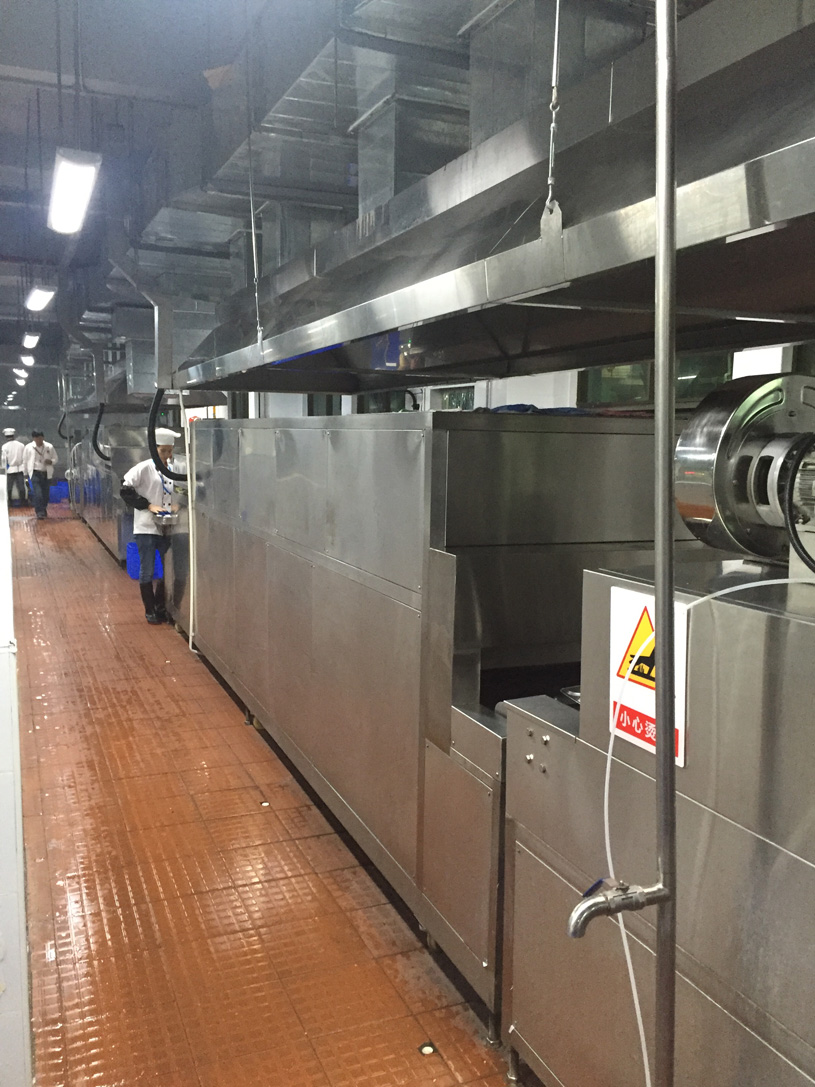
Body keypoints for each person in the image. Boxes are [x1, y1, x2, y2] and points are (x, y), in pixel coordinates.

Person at [120, 427, 180, 625]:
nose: (167, 455)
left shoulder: (174, 467)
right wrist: (147, 505)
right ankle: (150, 609)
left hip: (167, 526)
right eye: (163, 451)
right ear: (155, 449)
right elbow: (125, 490)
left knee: (167, 570)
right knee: (147, 569)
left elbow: (181, 489)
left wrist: (178, 504)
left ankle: (161, 606)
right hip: (146, 527)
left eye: (170, 451)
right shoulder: (143, 468)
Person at [23, 429, 58, 519]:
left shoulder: (49, 447)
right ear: (34, 439)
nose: (39, 440)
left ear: (43, 437)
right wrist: (25, 474)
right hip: (35, 473)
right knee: (38, 493)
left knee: (45, 494)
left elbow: (55, 458)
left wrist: (51, 461)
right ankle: (39, 512)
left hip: (46, 473)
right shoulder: (28, 447)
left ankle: (43, 508)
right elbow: (25, 461)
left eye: (40, 438)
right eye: (37, 438)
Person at [1, 427, 27, 507]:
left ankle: (9, 502)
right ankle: (23, 502)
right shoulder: (21, 445)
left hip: (10, 469)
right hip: (20, 468)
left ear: (6, 436)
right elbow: (25, 457)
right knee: (21, 487)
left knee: (9, 487)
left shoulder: (4, 446)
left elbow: (4, 460)